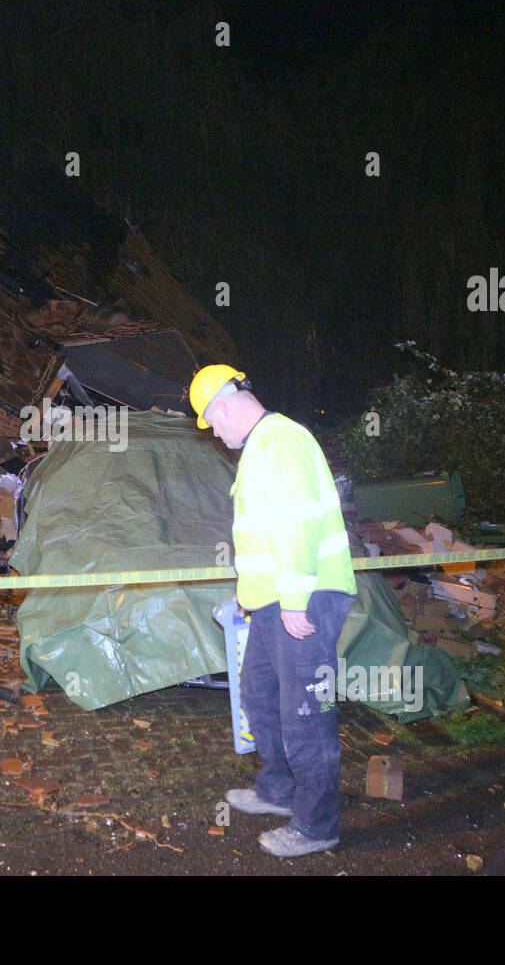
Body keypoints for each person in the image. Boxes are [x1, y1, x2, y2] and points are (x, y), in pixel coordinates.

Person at [189, 364, 357, 858]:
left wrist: (294, 599)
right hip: (272, 605)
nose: (215, 434)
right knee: (260, 696)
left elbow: (296, 527)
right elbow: (265, 535)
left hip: (304, 601)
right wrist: (252, 597)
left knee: (306, 714)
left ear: (221, 407)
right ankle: (279, 791)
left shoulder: (281, 441)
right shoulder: (264, 446)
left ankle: (315, 825)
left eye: (211, 423)